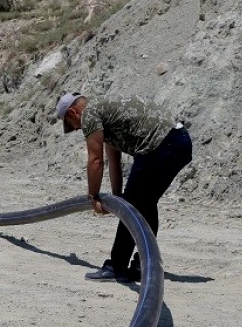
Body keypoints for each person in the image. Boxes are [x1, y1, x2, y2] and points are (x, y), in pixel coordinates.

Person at [56, 92, 192, 282]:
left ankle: (117, 266)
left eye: (71, 124)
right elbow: (114, 161)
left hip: (161, 146)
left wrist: (93, 197)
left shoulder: (90, 114)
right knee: (145, 203)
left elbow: (95, 161)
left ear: (72, 112)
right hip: (179, 143)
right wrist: (117, 198)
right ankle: (142, 264)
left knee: (135, 205)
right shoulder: (105, 111)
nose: (76, 129)